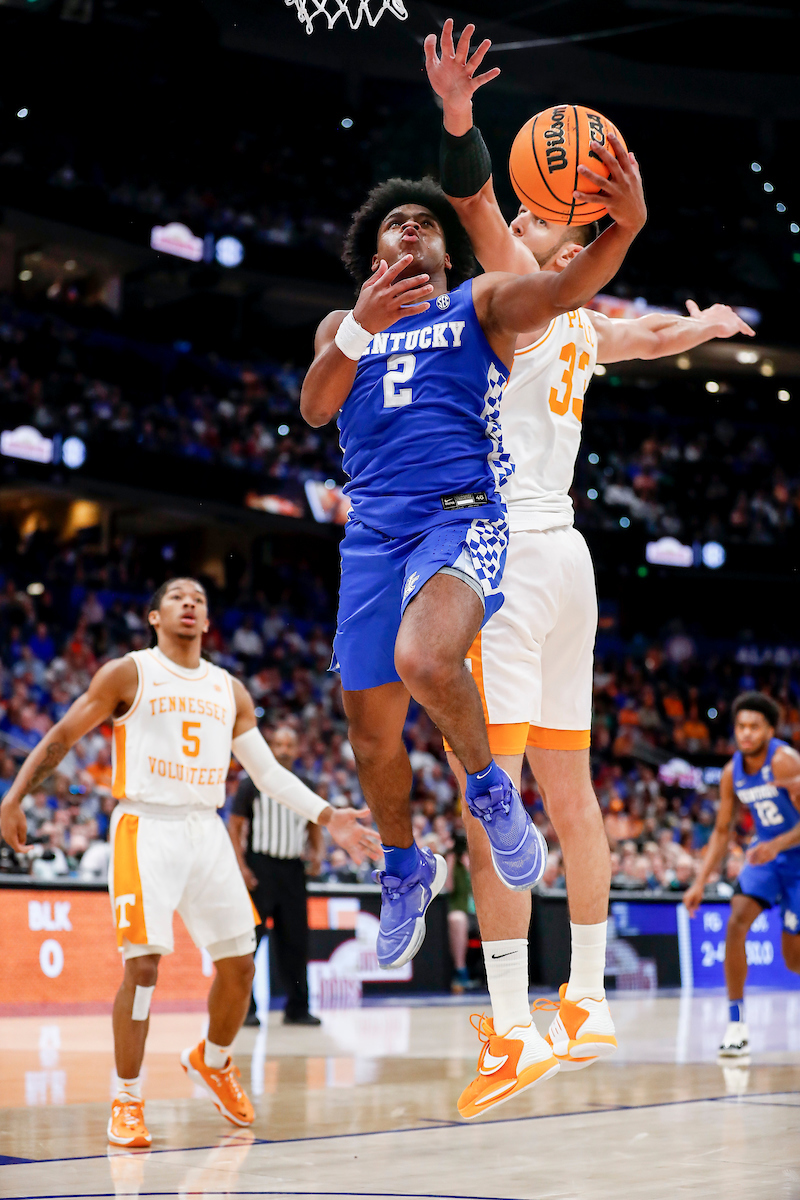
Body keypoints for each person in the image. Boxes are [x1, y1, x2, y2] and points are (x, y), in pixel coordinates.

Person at [424, 19, 755, 1117]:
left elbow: (473, 203)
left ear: (544, 235)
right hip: (569, 557)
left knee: (491, 793)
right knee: (569, 792)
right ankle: (589, 1002)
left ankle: (514, 1025)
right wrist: (700, 321)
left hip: (513, 551)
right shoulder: (582, 323)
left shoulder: (524, 285)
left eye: (533, 217)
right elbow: (649, 334)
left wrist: (464, 124)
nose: (517, 222)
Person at [300, 128, 645, 975]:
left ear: (448, 255)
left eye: (425, 222)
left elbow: (568, 285)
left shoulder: (481, 304)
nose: (411, 227)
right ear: (371, 249)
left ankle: (493, 793)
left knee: (425, 657)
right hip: (375, 531)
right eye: (395, 223)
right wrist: (361, 329)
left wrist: (622, 231)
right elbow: (313, 409)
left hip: (461, 517)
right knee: (371, 734)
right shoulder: (343, 324)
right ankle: (404, 867)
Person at [0, 578, 380, 1150]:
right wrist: (14, 797)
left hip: (205, 829)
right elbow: (64, 733)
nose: (189, 603)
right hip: (144, 825)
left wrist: (329, 817)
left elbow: (268, 775)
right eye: (177, 596)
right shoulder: (128, 673)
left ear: (207, 621)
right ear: (154, 616)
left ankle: (215, 1060)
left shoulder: (230, 689)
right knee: (145, 967)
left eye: (199, 599)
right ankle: (127, 1098)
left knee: (241, 965)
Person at [683, 693, 800, 1057]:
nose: (746, 733)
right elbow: (721, 832)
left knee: (793, 959)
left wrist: (778, 844)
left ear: (769, 730)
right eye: (741, 726)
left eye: (754, 726)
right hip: (767, 858)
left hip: (793, 858)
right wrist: (699, 882)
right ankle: (736, 1023)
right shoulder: (733, 772)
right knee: (735, 922)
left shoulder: (785, 762)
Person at [229, 725, 325, 1027]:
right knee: (250, 940)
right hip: (260, 868)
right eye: (279, 744)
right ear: (270, 747)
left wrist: (317, 853)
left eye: (289, 744)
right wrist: (241, 866)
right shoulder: (252, 784)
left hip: (293, 870)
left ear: (297, 750)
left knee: (296, 942)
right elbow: (234, 826)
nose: (284, 750)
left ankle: (297, 1008)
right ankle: (245, 1008)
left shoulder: (307, 784)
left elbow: (314, 824)